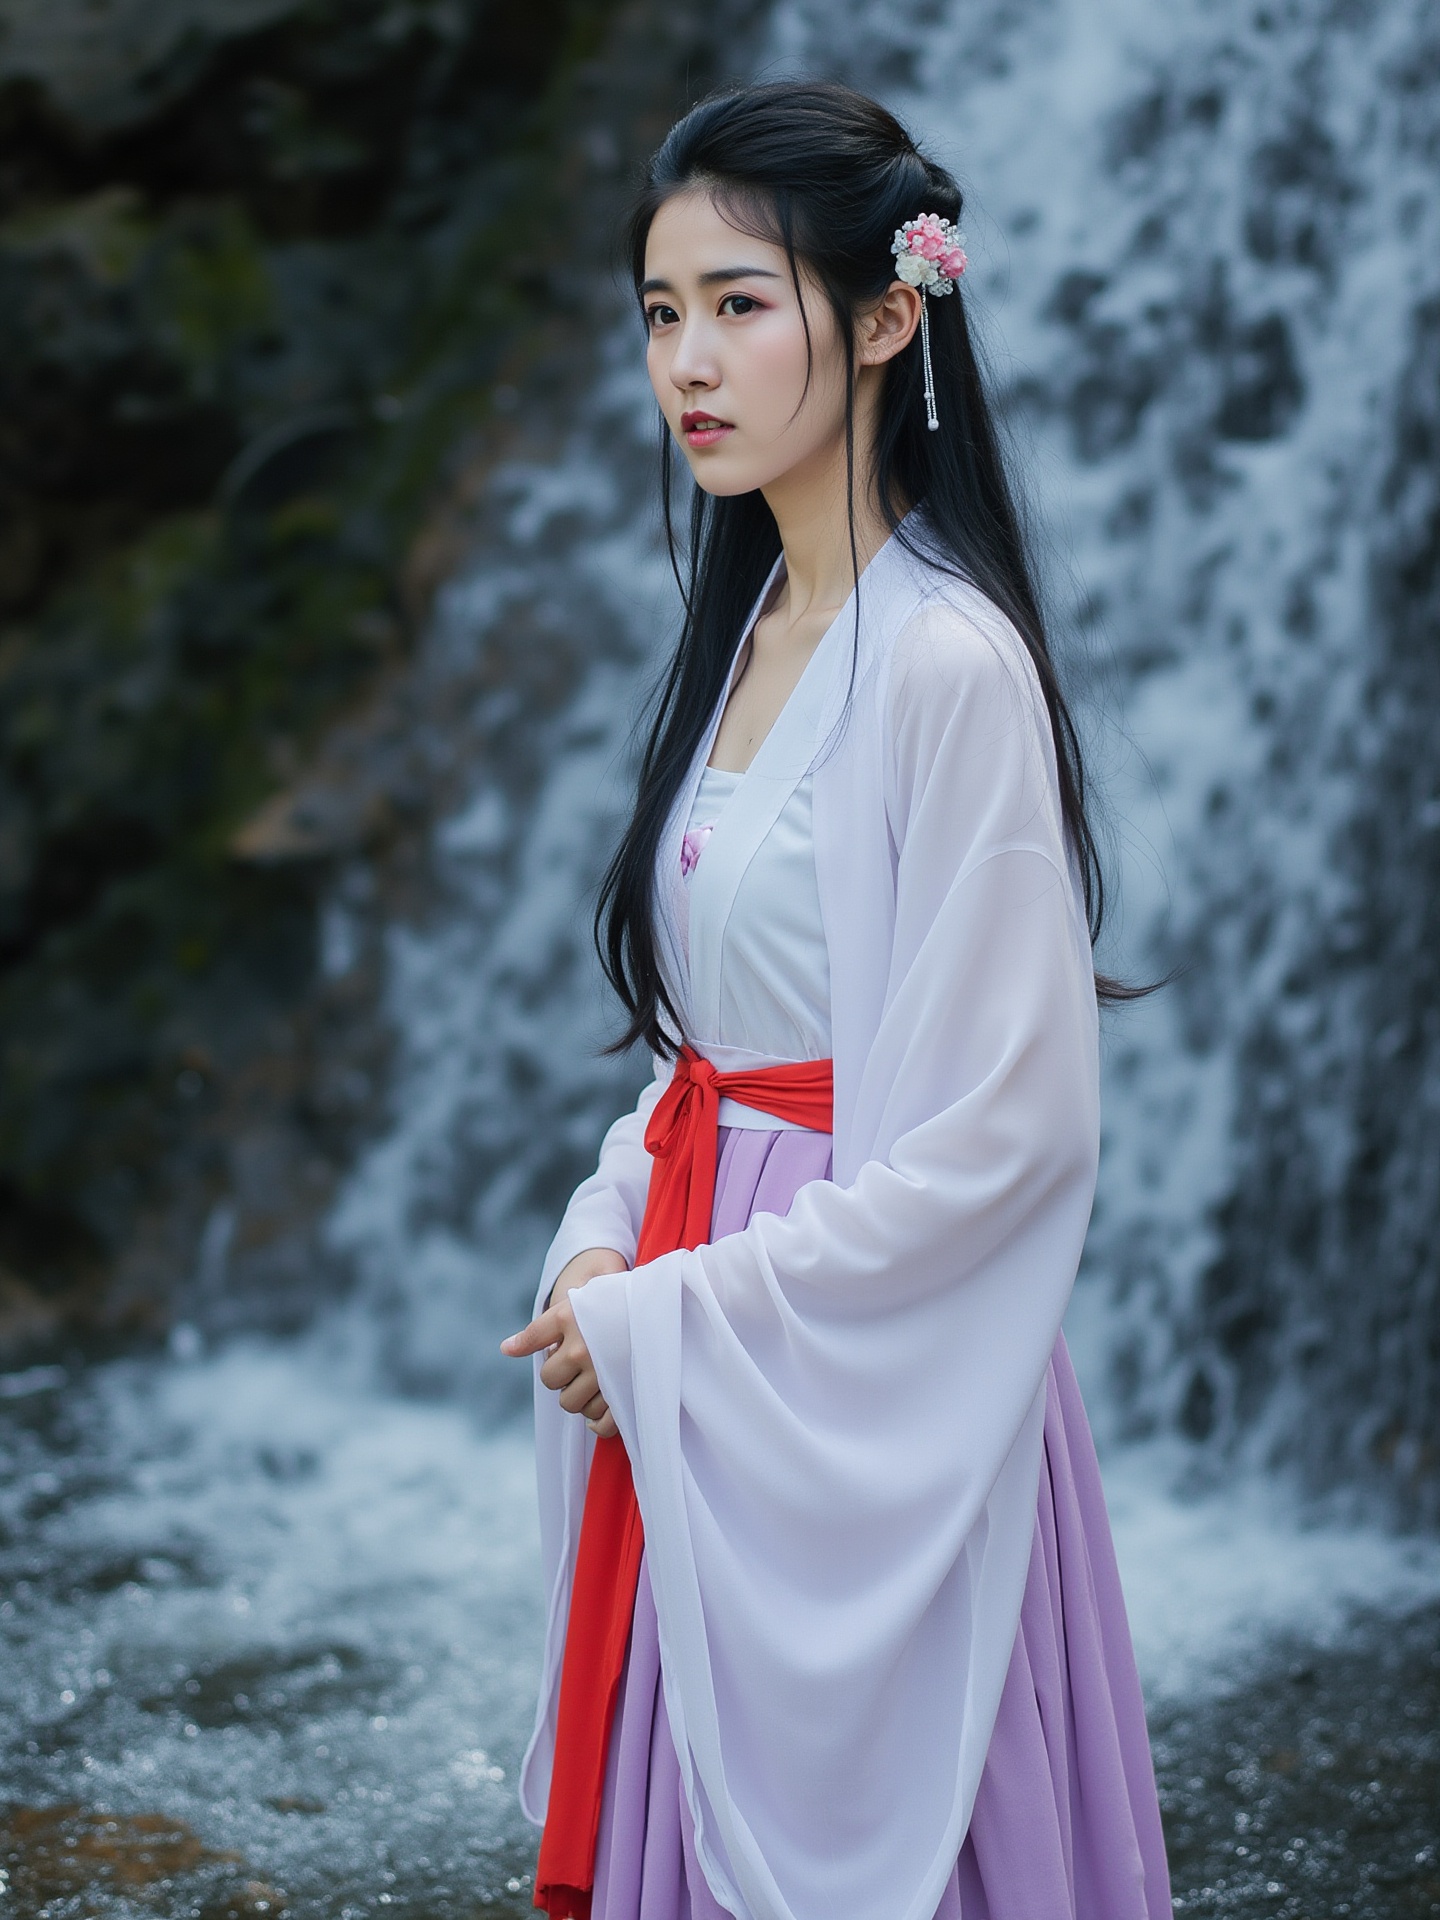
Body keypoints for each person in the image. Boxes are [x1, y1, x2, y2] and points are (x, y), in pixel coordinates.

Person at [501, 78, 1173, 1920]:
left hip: (862, 1366)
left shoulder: (951, 664)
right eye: (661, 312)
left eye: (741, 303)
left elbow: (1012, 1145)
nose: (689, 364)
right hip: (709, 1332)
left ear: (888, 319)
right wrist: (601, 1243)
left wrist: (677, 1310)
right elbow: (707, 1058)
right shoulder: (750, 638)